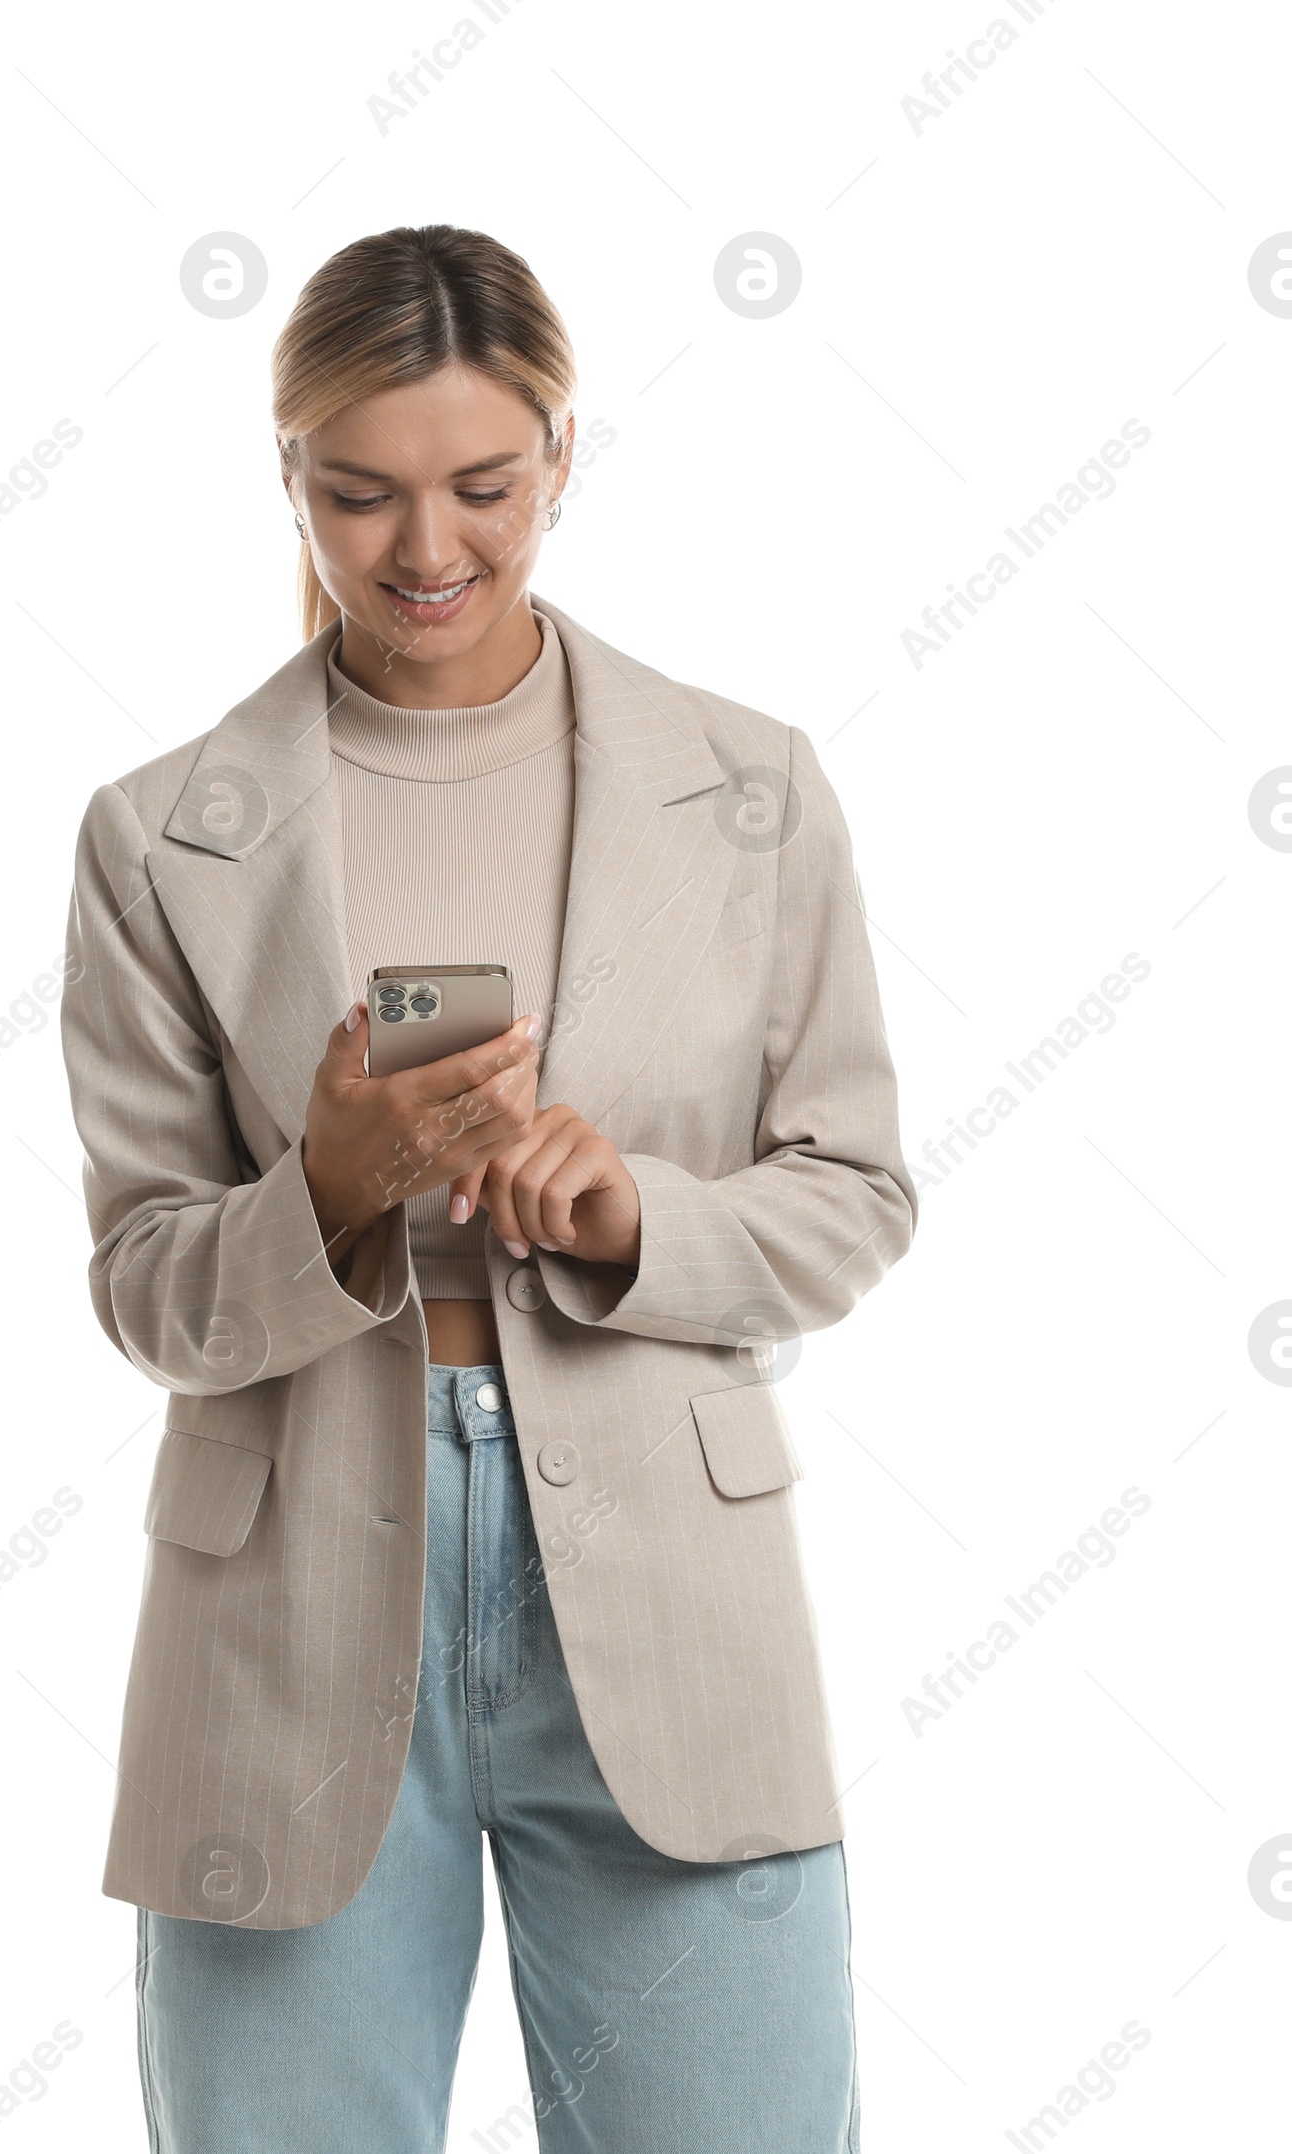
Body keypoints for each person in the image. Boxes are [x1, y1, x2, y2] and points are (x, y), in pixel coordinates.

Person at [60, 222, 916, 2154]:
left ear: (563, 452)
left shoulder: (749, 784)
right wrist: (331, 1191)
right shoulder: (157, 834)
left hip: (668, 1593)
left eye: (484, 486)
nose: (423, 547)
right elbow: (144, 1282)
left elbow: (855, 1190)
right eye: (357, 493)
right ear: (287, 477)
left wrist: (640, 1221)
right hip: (287, 1596)